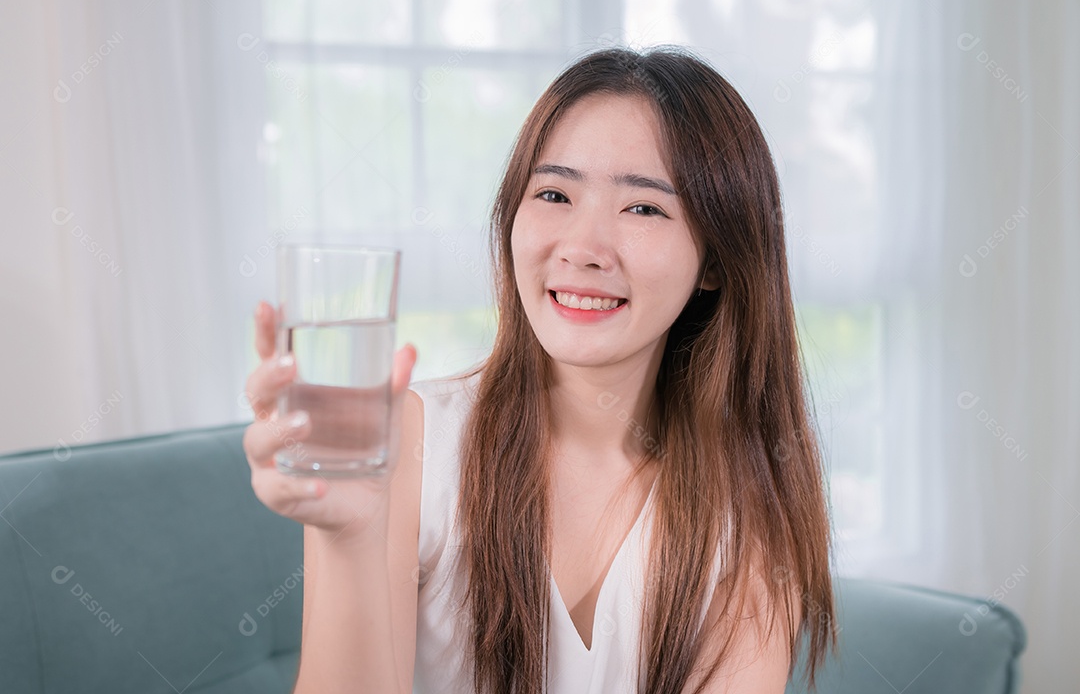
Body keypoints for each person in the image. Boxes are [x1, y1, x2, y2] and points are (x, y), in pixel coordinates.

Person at [243, 45, 834, 694]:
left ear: (716, 262)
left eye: (643, 208)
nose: (581, 248)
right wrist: (349, 537)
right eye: (554, 193)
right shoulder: (408, 443)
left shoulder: (747, 501)